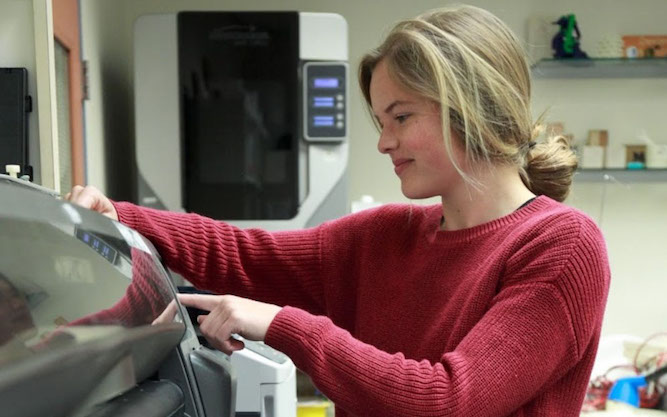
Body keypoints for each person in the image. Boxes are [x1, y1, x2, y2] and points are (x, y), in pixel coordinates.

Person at [66, 5, 610, 416]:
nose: (384, 143)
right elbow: (245, 255)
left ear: (473, 105)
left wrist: (284, 325)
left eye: (400, 117)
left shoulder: (561, 245)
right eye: (382, 122)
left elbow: (448, 399)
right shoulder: (385, 236)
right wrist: (119, 215)